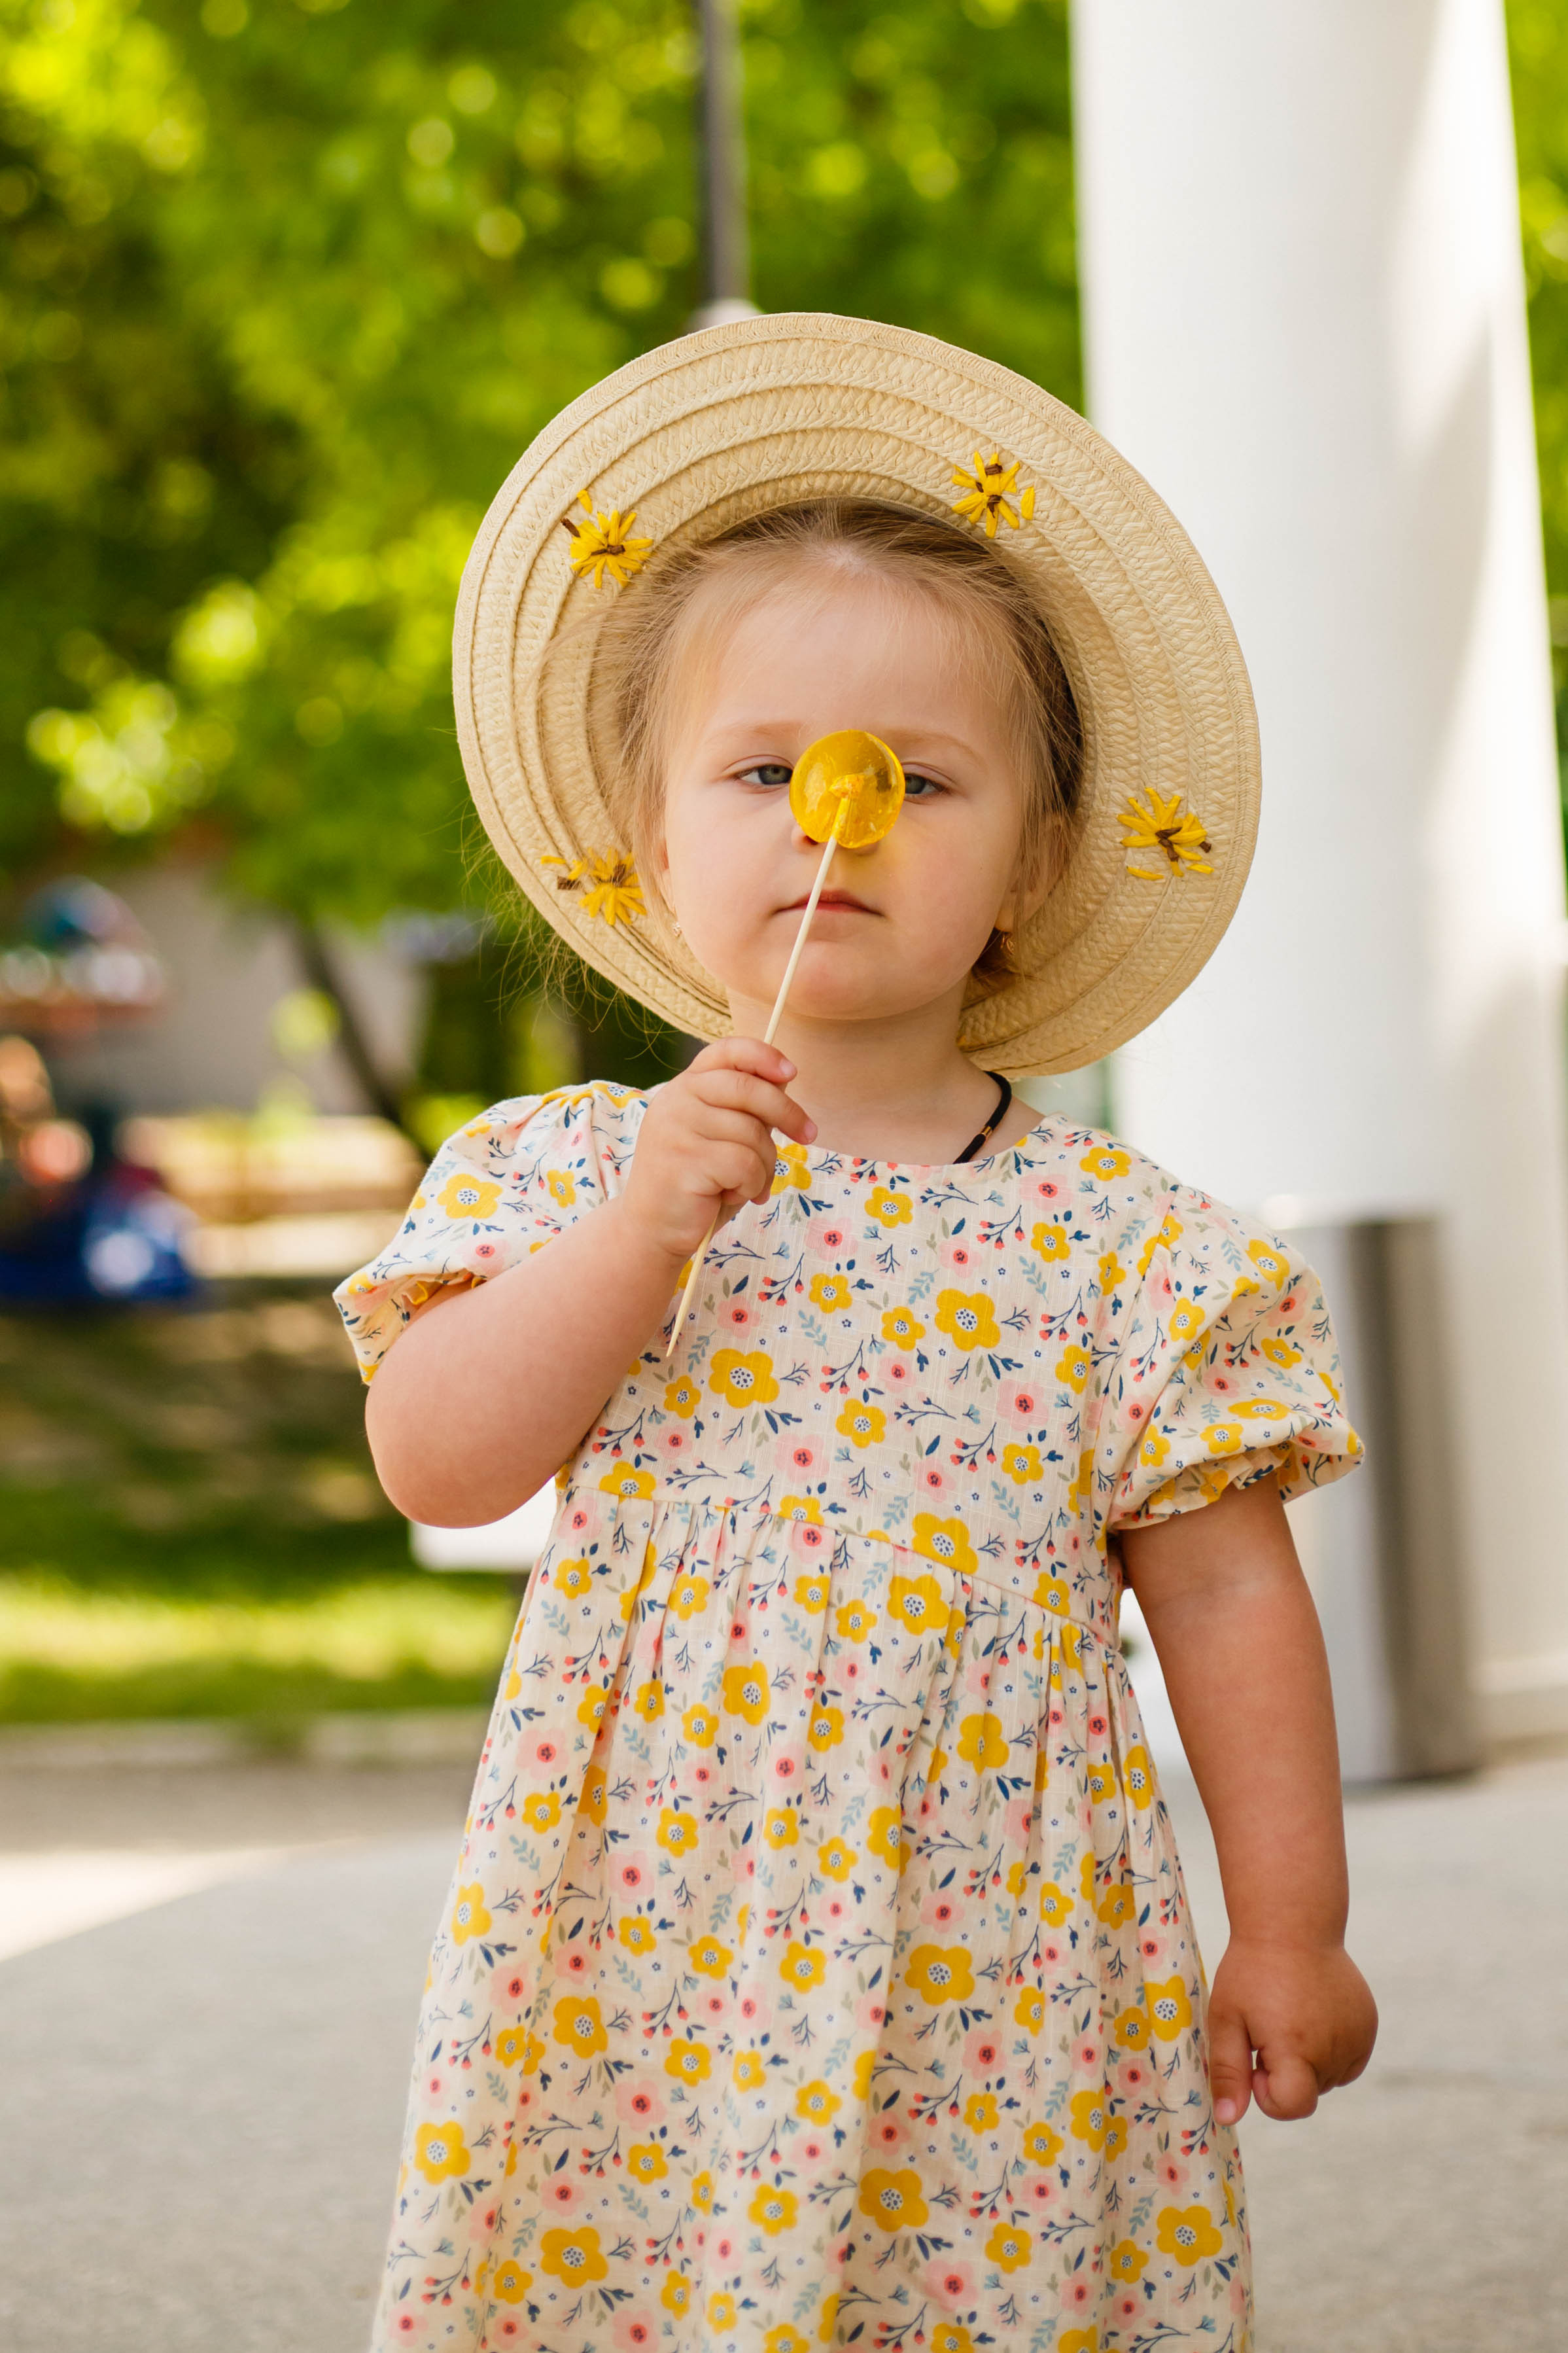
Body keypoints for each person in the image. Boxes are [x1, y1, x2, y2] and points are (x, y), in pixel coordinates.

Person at [338, 316, 1376, 2353]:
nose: (846, 820)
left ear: (1034, 870)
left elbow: (1234, 1604)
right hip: (662, 1930)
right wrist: (646, 1225)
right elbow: (437, 1456)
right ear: (649, 843)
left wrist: (1292, 1924)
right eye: (770, 772)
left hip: (1004, 1952)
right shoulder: (564, 1173)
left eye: (922, 781)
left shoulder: (1124, 1254)